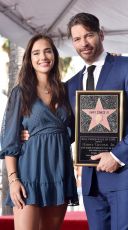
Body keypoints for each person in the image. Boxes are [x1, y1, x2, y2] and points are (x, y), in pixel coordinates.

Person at [65, 13, 128, 230]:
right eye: (77, 39)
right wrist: (30, 134)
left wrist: (116, 156)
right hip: (90, 182)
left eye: (89, 35)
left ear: (101, 35)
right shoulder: (72, 84)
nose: (83, 43)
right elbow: (70, 131)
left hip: (124, 174)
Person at [0, 34, 78, 230]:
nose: (43, 57)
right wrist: (13, 180)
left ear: (54, 55)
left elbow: (73, 133)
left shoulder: (65, 91)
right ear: (30, 59)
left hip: (59, 173)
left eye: (47, 51)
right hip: (29, 174)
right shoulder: (21, 92)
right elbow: (9, 142)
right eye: (36, 53)